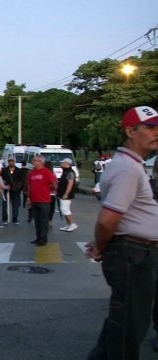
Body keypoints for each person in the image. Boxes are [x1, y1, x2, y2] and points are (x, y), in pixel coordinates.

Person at [85, 106, 158, 360]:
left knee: (126, 320)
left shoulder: (132, 165)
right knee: (129, 326)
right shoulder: (127, 168)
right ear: (130, 131)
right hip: (132, 253)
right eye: (149, 127)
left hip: (135, 252)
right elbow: (108, 220)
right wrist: (100, 246)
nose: (156, 132)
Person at [26, 155, 57, 246]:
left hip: (44, 201)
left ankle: (43, 239)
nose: (33, 162)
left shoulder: (46, 172)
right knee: (37, 221)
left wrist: (47, 189)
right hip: (34, 200)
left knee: (43, 221)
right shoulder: (31, 172)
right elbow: (29, 185)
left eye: (35, 161)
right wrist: (28, 198)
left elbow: (54, 185)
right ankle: (38, 237)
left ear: (41, 162)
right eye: (33, 160)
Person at [0, 156, 23, 224]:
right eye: (10, 161)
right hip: (6, 190)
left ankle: (15, 219)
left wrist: (18, 188)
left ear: (14, 162)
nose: (11, 162)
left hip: (15, 191)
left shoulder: (18, 170)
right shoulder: (4, 170)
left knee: (15, 205)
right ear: (8, 161)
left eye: (12, 161)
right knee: (5, 205)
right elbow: (1, 179)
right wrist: (4, 185)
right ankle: (5, 219)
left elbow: (21, 180)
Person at [57, 158, 78, 232]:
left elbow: (70, 184)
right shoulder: (65, 171)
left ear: (67, 164)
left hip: (66, 195)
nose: (61, 164)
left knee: (65, 209)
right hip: (62, 193)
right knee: (64, 209)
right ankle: (68, 224)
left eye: (63, 163)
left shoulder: (70, 172)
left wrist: (66, 194)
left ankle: (72, 223)